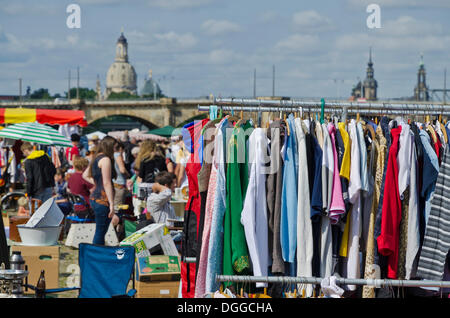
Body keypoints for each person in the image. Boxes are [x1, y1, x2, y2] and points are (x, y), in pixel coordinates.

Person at [83, 136, 119, 245]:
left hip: (95, 198)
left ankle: (98, 252)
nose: (115, 150)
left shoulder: (96, 157)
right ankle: (96, 254)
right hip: (102, 200)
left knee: (101, 230)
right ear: (109, 146)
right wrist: (112, 204)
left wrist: (98, 184)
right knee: (100, 231)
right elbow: (107, 182)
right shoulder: (105, 159)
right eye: (114, 147)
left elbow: (85, 175)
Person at [113, 141, 130, 208]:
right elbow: (122, 170)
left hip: (114, 182)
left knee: (115, 204)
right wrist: (128, 174)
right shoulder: (118, 155)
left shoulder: (112, 155)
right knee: (118, 206)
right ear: (120, 148)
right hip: (120, 183)